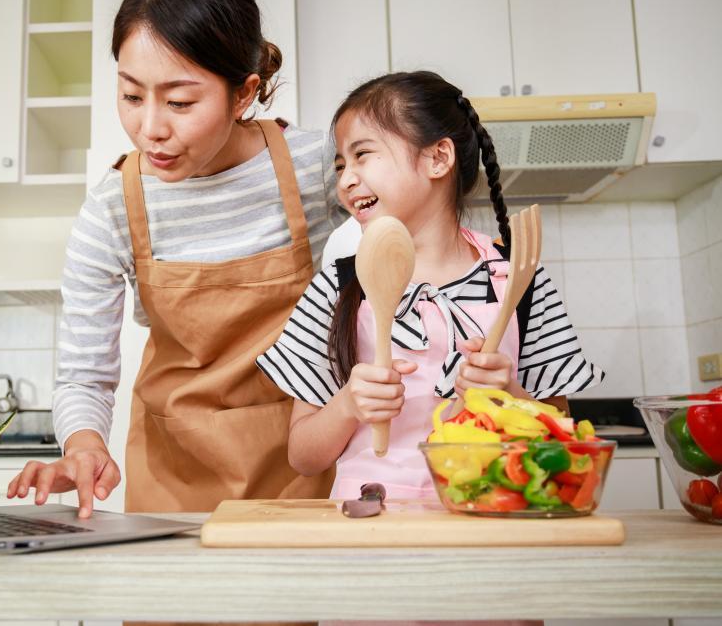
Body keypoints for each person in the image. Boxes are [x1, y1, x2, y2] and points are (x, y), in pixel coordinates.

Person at [7, 0, 343, 516]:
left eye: (181, 101)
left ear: (243, 93)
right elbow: (83, 373)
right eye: (132, 96)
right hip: (175, 480)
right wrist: (85, 446)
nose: (150, 129)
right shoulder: (112, 207)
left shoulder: (319, 168)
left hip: (307, 465)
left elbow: (415, 240)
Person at [257, 70, 605, 503]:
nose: (345, 179)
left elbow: (562, 443)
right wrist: (348, 405)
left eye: (363, 155)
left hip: (492, 519)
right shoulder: (337, 286)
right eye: (341, 165)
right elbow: (302, 457)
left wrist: (510, 396)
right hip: (370, 531)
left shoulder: (522, 281)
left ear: (438, 158)